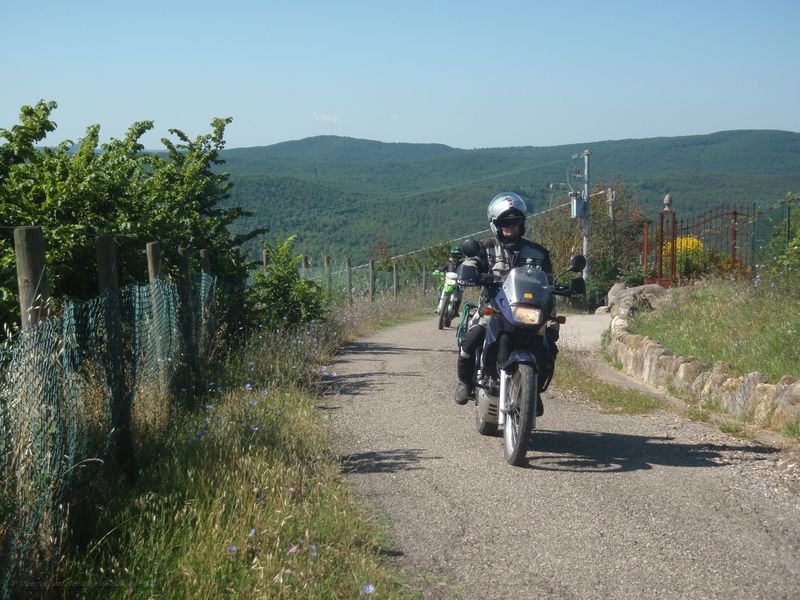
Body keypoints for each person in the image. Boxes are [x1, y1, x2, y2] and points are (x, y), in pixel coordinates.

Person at [454, 192, 557, 413]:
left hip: (527, 310)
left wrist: (564, 289)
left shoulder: (538, 253)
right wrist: (470, 271)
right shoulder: (486, 247)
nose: (510, 227)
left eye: (515, 222)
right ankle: (465, 382)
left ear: (522, 223)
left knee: (549, 347)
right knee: (471, 339)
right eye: (505, 223)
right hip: (492, 310)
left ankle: (532, 390)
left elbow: (549, 282)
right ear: (496, 225)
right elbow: (470, 262)